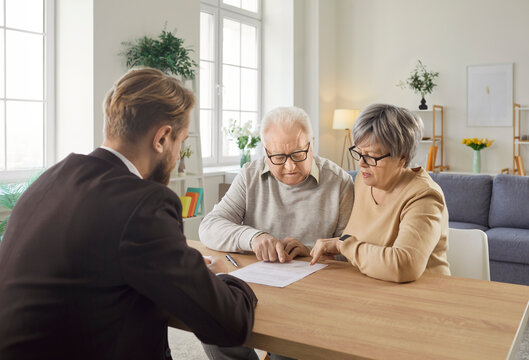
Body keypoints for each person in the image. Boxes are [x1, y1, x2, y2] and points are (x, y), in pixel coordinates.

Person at [0, 68, 257, 360]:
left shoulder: (51, 179)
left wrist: (183, 264)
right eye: (181, 143)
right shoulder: (145, 204)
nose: (177, 157)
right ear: (162, 138)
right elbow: (229, 325)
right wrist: (226, 280)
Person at [199, 106, 354, 360]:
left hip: (312, 300)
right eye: (279, 157)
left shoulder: (340, 182)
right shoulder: (250, 174)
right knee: (211, 324)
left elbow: (351, 251)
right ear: (265, 151)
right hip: (257, 287)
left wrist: (311, 250)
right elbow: (209, 226)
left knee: (289, 351)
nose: (290, 166)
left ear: (312, 144)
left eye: (298, 154)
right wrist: (253, 237)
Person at [310, 104, 450, 283]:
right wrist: (313, 249)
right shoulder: (364, 181)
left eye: (371, 156)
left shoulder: (424, 196)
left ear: (402, 157)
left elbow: (404, 266)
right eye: (359, 152)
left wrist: (342, 245)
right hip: (373, 286)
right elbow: (360, 246)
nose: (361, 163)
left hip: (424, 295)